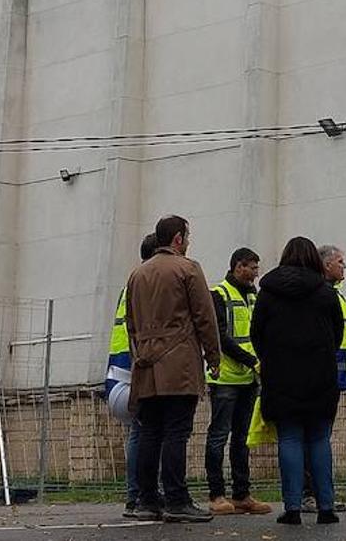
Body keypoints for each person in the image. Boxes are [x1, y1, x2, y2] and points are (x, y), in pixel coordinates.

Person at [125, 215, 222, 523]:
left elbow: (130, 322)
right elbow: (205, 317)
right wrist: (213, 356)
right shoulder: (187, 269)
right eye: (187, 237)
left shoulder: (137, 275)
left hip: (146, 364)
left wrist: (141, 353)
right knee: (177, 432)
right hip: (179, 363)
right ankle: (177, 499)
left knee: (150, 431)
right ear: (178, 238)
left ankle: (146, 500)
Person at [250, 237, 344, 526]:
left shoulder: (268, 292)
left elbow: (257, 334)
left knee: (289, 438)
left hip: (281, 377)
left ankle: (292, 508)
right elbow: (337, 334)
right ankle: (325, 507)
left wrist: (272, 358)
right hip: (319, 375)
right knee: (319, 438)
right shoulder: (325, 293)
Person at [205, 248, 272, 515]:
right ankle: (216, 494)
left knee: (242, 438)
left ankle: (242, 494)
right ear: (237, 266)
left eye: (257, 268)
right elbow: (221, 336)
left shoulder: (254, 296)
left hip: (249, 378)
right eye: (251, 268)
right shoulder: (218, 294)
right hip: (226, 378)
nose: (256, 273)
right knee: (219, 435)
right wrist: (252, 360)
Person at [300, 244, 346, 513]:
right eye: (340, 262)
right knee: (312, 436)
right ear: (325, 265)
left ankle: (323, 493)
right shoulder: (321, 296)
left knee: (322, 436)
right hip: (320, 376)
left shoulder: (337, 296)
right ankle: (309, 494)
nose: (343, 266)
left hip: (336, 376)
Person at [105, 233, 159, 518]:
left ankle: (137, 494)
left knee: (139, 433)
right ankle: (138, 495)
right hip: (132, 371)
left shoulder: (130, 283)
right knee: (143, 431)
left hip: (118, 371)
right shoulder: (146, 281)